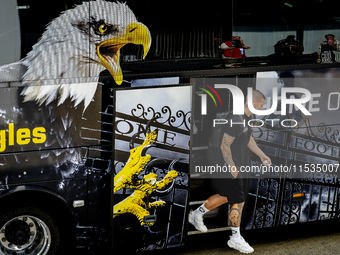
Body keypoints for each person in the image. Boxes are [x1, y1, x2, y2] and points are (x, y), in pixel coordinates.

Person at [189, 89, 272, 254]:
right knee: (239, 201)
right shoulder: (236, 119)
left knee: (225, 196)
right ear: (252, 102)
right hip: (228, 166)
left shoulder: (248, 118)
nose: (262, 109)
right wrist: (232, 166)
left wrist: (262, 155)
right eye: (261, 105)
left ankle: (196, 214)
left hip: (234, 165)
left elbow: (248, 139)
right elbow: (224, 145)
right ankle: (235, 238)